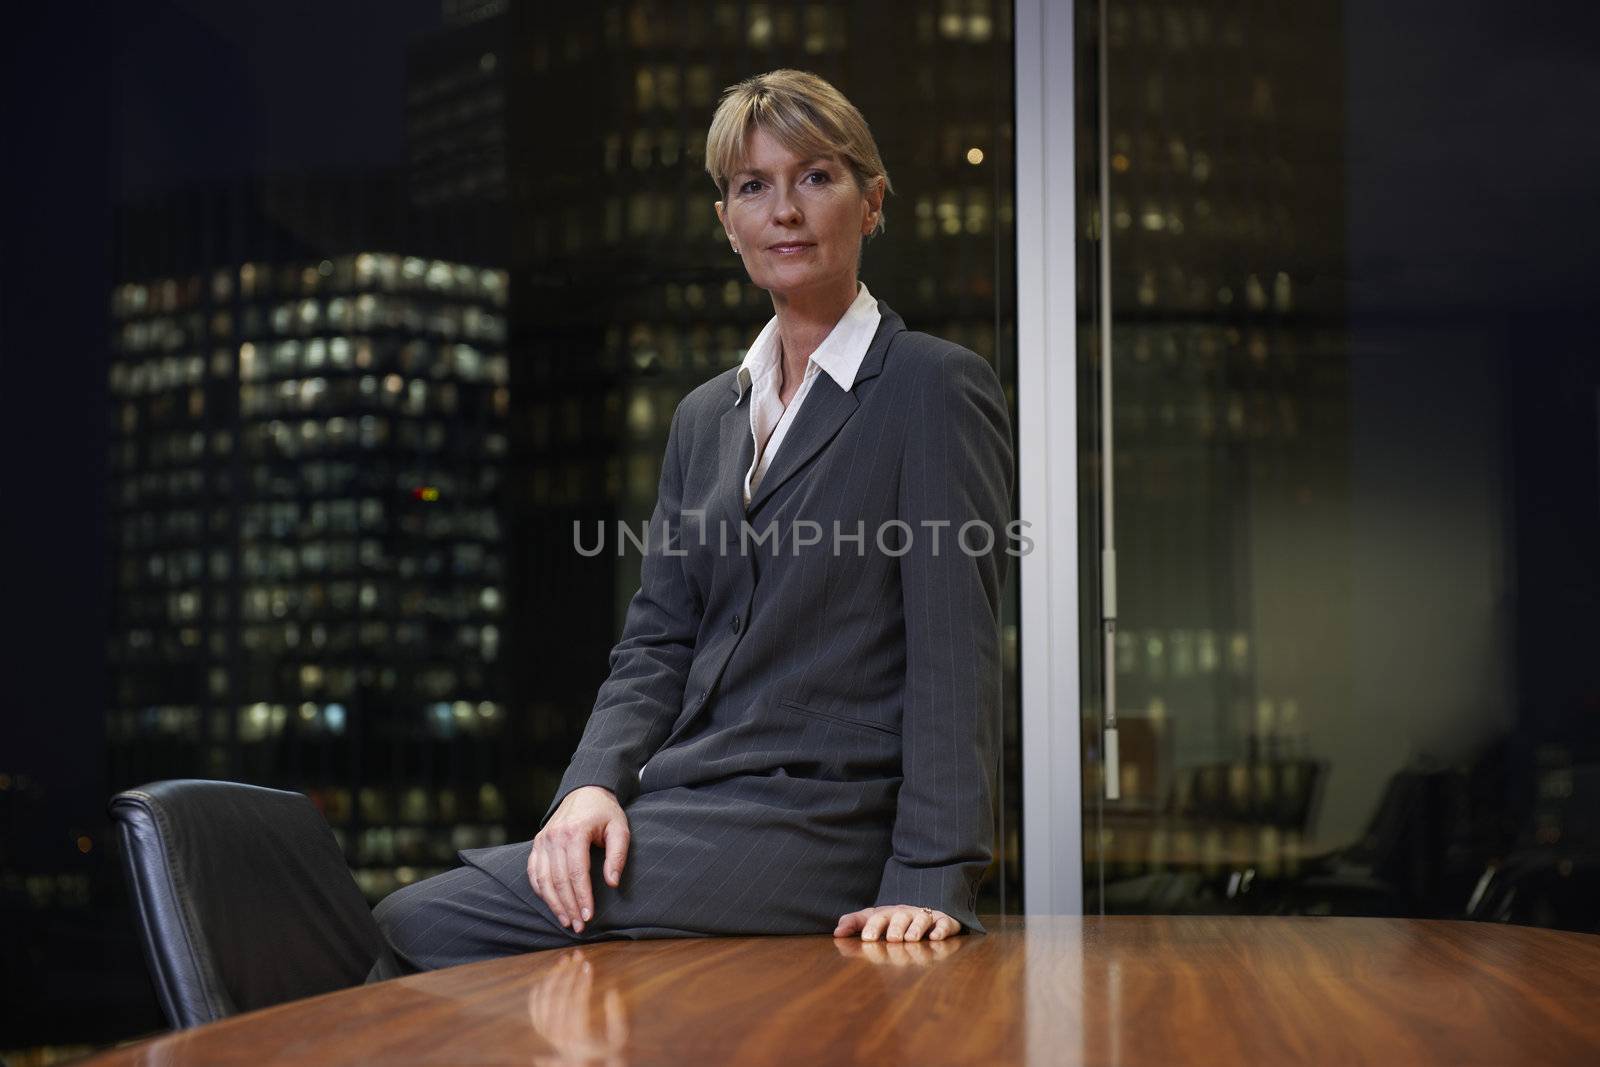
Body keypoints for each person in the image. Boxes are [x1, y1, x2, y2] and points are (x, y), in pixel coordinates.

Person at [373, 68, 1014, 973]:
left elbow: (957, 649)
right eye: (754, 186)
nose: (784, 209)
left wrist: (930, 874)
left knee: (417, 923)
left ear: (872, 204)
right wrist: (591, 784)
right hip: (682, 806)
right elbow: (658, 641)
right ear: (728, 225)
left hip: (821, 826)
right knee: (433, 938)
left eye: (816, 178)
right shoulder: (706, 416)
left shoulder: (931, 387)